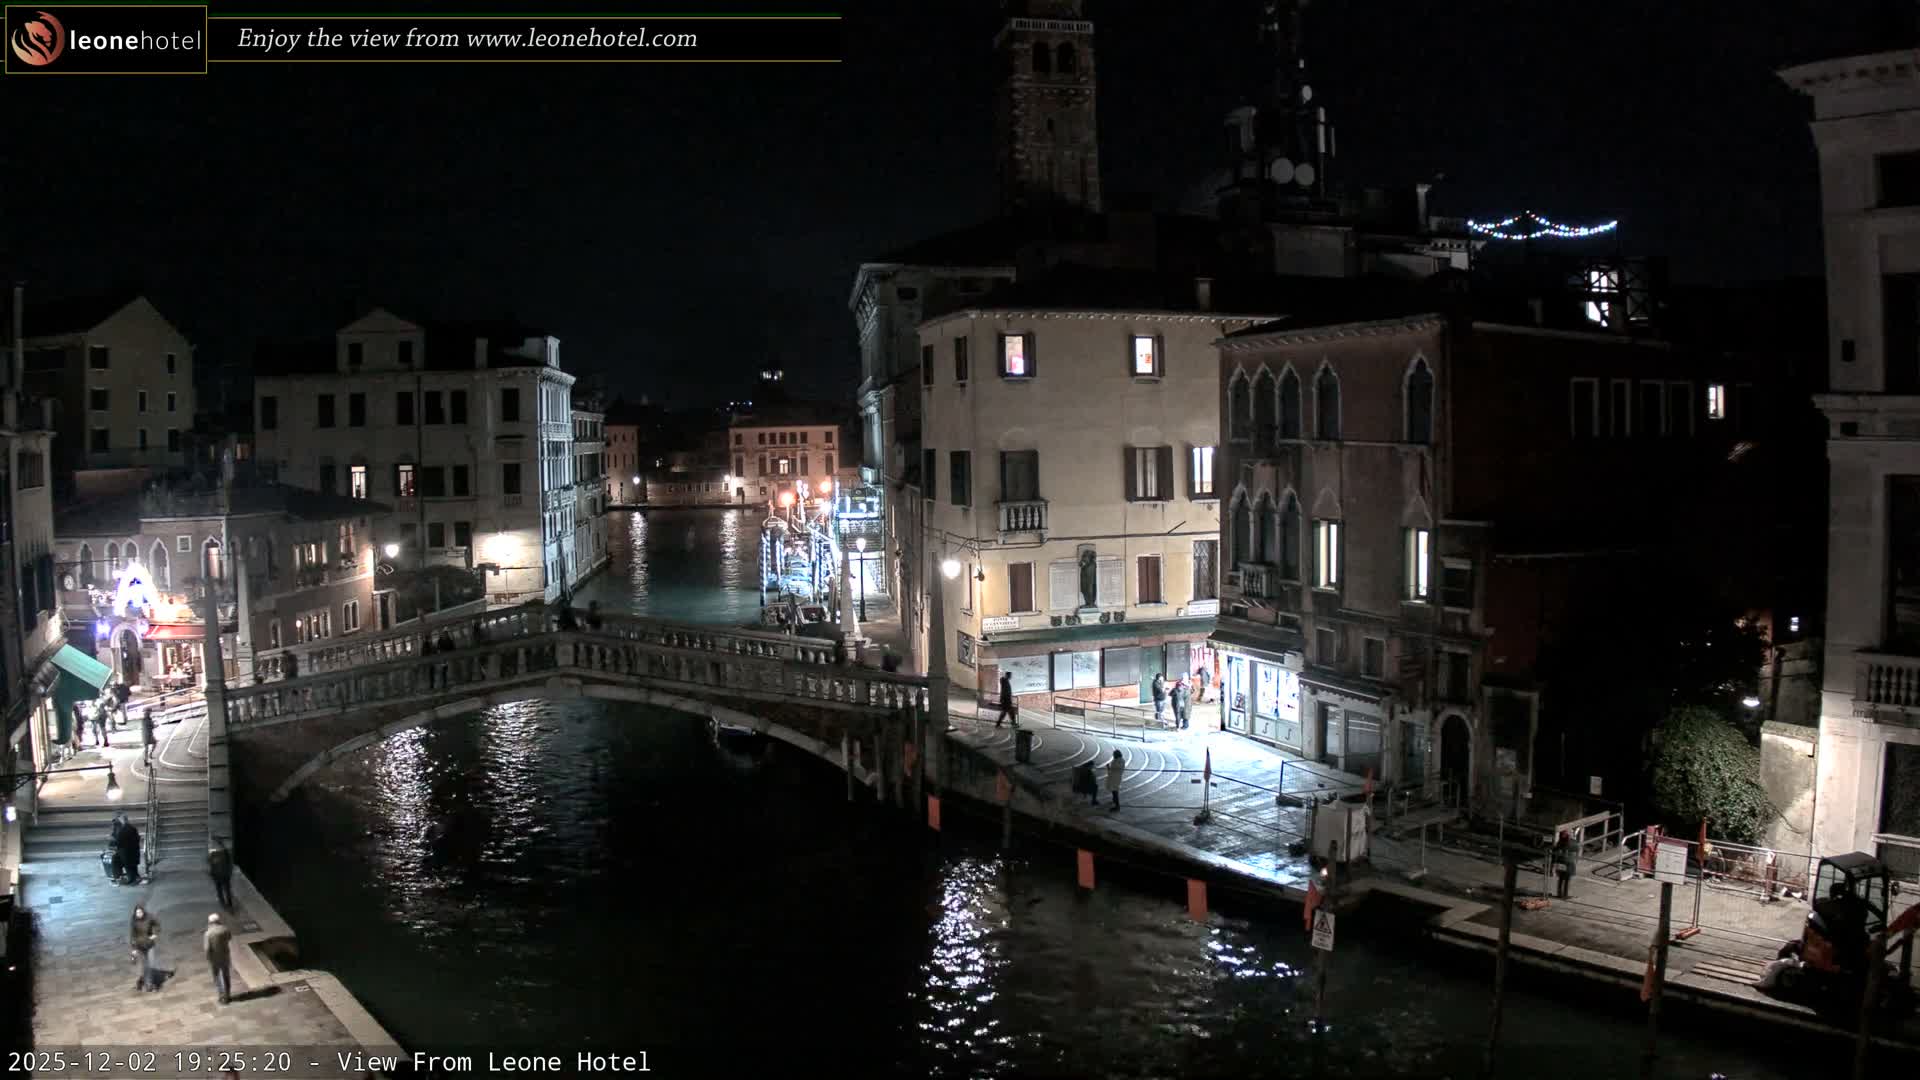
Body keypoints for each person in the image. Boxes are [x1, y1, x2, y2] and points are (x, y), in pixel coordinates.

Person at [130, 904, 160, 992]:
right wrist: (134, 949)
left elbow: (157, 924)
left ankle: (148, 983)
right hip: (140, 946)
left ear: (143, 911)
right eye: (137, 912)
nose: (138, 914)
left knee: (151, 964)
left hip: (149, 944)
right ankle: (148, 985)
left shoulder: (149, 917)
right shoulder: (134, 921)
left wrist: (155, 934)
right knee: (144, 966)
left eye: (140, 912)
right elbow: (133, 935)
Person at [204, 913, 233, 1005]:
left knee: (216, 976)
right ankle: (228, 995)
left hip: (214, 958)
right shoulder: (225, 929)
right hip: (225, 956)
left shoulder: (208, 933)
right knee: (226, 975)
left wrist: (208, 957)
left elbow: (207, 948)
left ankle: (221, 995)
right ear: (218, 921)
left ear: (210, 922)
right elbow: (229, 938)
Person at [208, 839, 234, 910]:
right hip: (225, 875)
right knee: (227, 889)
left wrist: (212, 875)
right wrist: (229, 873)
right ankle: (229, 903)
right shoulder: (225, 853)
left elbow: (211, 866)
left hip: (217, 876)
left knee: (219, 890)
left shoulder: (212, 855)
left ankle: (222, 902)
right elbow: (230, 863)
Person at [117, 821, 141, 886]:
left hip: (126, 852)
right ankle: (136, 877)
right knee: (133, 865)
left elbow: (119, 841)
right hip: (134, 851)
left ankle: (131, 879)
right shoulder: (133, 828)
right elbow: (137, 838)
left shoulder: (122, 830)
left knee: (127, 865)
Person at [1553, 832, 1574, 899]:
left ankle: (1559, 894)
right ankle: (1565, 894)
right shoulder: (1569, 843)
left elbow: (1554, 851)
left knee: (1561, 879)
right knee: (1567, 879)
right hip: (1567, 863)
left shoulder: (1559, 843)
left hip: (1560, 862)